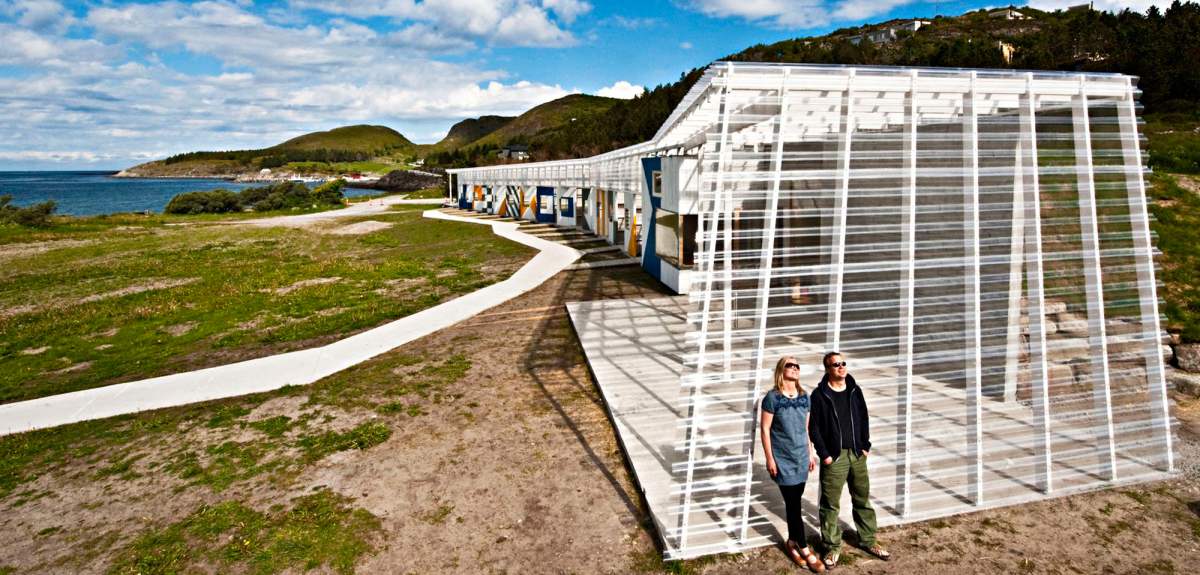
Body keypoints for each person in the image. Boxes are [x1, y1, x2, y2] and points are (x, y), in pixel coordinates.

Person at [809, 352, 891, 568]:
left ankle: (868, 540)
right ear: (828, 369)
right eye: (836, 364)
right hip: (835, 458)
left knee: (862, 499)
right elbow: (814, 427)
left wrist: (865, 446)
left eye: (843, 363)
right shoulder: (819, 395)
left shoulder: (855, 390)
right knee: (830, 505)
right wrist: (825, 454)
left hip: (857, 454)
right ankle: (832, 547)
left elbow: (864, 418)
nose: (841, 367)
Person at [761, 356, 824, 573]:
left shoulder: (805, 397)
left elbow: (806, 429)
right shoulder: (772, 398)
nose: (795, 368)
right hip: (782, 459)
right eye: (790, 364)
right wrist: (769, 458)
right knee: (794, 504)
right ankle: (804, 548)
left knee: (794, 503)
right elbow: (765, 429)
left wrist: (810, 454)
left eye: (797, 365)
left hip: (801, 458)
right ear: (781, 369)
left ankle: (791, 542)